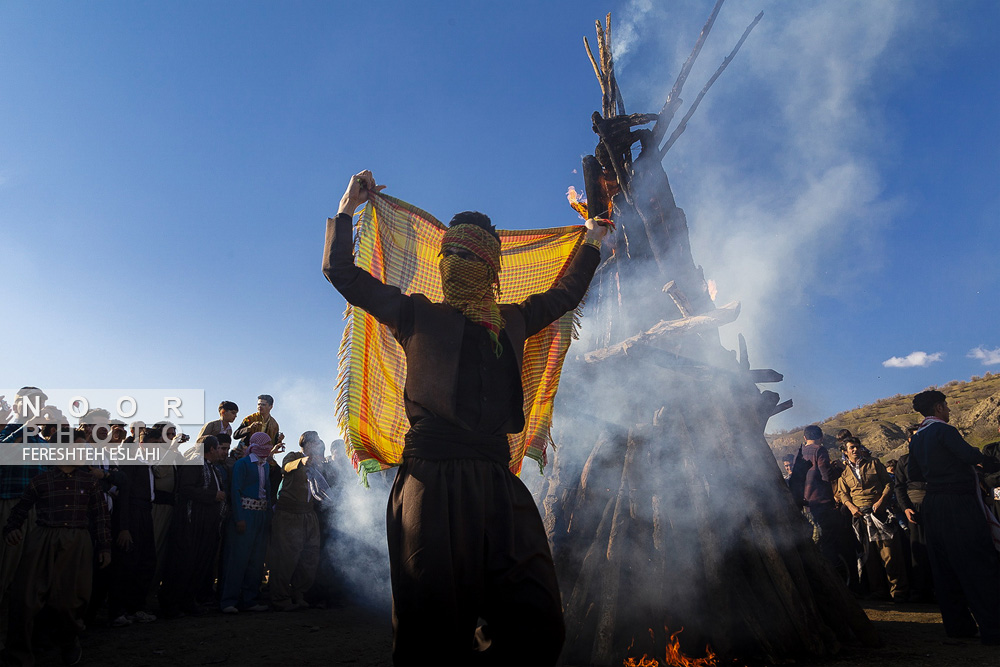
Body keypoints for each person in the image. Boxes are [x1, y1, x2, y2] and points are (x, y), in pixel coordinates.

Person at [324, 170, 608, 665]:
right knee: (429, 630)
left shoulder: (515, 319)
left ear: (492, 269)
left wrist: (592, 241)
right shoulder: (413, 313)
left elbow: (565, 296)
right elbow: (341, 273)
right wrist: (347, 208)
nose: (458, 265)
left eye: (470, 257)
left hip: (497, 484)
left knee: (537, 620)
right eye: (450, 255)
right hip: (429, 485)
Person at [908, 389, 1000, 645]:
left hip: (933, 503)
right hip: (957, 502)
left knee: (944, 566)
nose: (949, 410)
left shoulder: (916, 439)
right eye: (946, 406)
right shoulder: (944, 431)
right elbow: (971, 457)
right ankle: (994, 628)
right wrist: (983, 462)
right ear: (938, 408)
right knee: (977, 561)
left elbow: (914, 473)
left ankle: (959, 626)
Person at [1, 459, 111, 665]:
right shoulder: (41, 480)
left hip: (77, 540)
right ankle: (18, 655)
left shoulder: (89, 481)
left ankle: (69, 641)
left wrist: (105, 546)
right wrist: (12, 528)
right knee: (25, 598)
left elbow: (101, 515)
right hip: (43, 538)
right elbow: (20, 509)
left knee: (70, 601)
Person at [158, 435, 227, 617]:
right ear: (211, 449)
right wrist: (213, 495)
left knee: (199, 563)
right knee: (183, 564)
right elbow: (186, 489)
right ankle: (171, 604)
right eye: (219, 447)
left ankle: (188, 601)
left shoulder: (213, 468)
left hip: (207, 523)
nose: (221, 451)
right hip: (190, 522)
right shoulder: (193, 463)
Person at [836, 436, 909, 602]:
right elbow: (843, 494)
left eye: (857, 447)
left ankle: (899, 591)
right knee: (870, 557)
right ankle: (878, 591)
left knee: (890, 553)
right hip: (861, 517)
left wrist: (882, 500)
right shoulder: (844, 473)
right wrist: (852, 507)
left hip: (881, 515)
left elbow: (889, 484)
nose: (855, 450)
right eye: (851, 448)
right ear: (845, 452)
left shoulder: (874, 463)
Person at [268, 431, 328, 611]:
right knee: (286, 557)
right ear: (308, 445)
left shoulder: (318, 463)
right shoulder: (294, 456)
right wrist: (303, 461)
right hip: (289, 515)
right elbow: (286, 467)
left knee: (310, 556)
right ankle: (279, 598)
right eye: (316, 442)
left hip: (308, 515)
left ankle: (298, 594)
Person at [220, 431, 275, 613]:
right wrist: (239, 518)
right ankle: (228, 600)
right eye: (265, 444)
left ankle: (250, 599)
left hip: (260, 515)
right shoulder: (242, 464)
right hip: (245, 513)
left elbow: (266, 491)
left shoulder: (265, 466)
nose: (268, 448)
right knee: (238, 558)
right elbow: (235, 491)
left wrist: (267, 516)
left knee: (256, 559)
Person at [797, 425, 846, 572]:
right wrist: (839, 469)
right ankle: (835, 577)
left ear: (805, 438)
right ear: (821, 438)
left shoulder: (798, 454)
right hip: (822, 504)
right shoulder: (820, 450)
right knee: (828, 543)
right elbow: (826, 475)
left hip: (805, 505)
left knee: (814, 542)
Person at [894, 425, 933, 602]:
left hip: (937, 506)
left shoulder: (937, 457)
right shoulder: (904, 461)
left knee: (939, 548)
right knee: (918, 548)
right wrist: (906, 508)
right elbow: (899, 487)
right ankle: (920, 591)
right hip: (914, 508)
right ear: (909, 440)